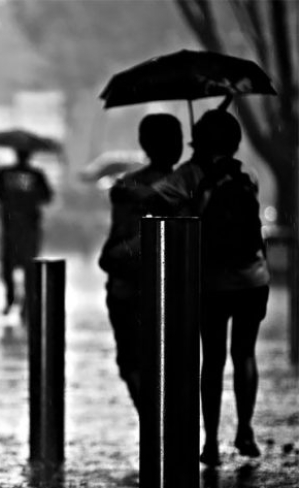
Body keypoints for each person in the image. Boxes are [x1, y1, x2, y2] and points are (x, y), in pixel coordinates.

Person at [124, 110, 270, 465]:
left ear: (199, 140)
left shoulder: (189, 174)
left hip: (212, 281)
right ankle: (245, 431)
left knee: (214, 358)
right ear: (234, 141)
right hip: (253, 278)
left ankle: (212, 442)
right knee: (245, 354)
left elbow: (148, 199)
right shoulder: (246, 173)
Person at [98, 113, 184, 414]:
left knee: (132, 361)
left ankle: (151, 417)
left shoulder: (127, 186)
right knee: (174, 362)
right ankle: (166, 421)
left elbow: (114, 247)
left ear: (144, 144)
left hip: (127, 287)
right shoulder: (190, 184)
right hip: (178, 291)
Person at [0, 149, 53, 316]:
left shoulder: (4, 173)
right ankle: (23, 302)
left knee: (8, 266)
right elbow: (47, 197)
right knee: (28, 266)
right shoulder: (37, 175)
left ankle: (13, 299)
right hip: (28, 228)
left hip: (12, 227)